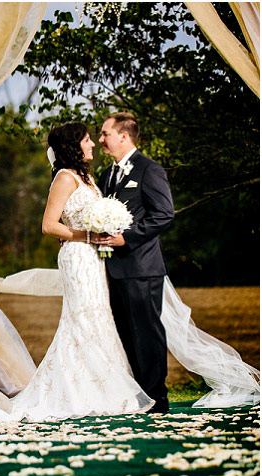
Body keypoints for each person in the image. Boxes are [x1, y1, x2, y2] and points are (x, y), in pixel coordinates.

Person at [0, 121, 154, 422]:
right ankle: (79, 393)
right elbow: (49, 225)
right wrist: (86, 235)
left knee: (99, 316)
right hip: (77, 256)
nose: (92, 145)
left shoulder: (84, 177)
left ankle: (105, 391)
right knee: (83, 318)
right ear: (74, 146)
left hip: (94, 256)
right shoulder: (64, 178)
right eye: (87, 140)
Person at [94, 113, 175, 413]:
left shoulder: (149, 169)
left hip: (142, 267)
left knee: (147, 332)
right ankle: (138, 396)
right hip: (112, 269)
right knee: (125, 333)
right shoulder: (106, 175)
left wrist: (127, 238)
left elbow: (164, 214)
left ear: (124, 136)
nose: (101, 139)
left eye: (105, 134)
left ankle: (157, 399)